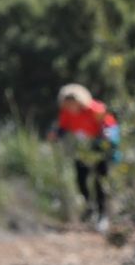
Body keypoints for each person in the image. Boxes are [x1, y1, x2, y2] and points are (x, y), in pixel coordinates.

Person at [48, 84, 120, 233]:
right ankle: (90, 206)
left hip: (99, 147)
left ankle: (103, 215)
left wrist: (106, 137)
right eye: (67, 104)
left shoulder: (95, 109)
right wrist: (55, 134)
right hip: (83, 149)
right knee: (80, 179)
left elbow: (110, 125)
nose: (70, 107)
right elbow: (63, 127)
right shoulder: (66, 112)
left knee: (100, 181)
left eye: (72, 103)